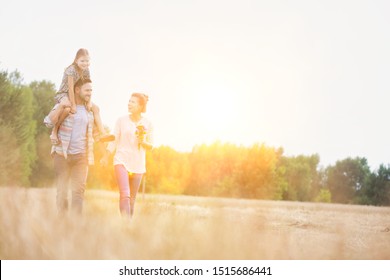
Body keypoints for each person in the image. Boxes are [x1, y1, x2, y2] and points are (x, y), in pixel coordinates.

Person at [44, 48, 113, 145]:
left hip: (78, 93)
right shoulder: (71, 70)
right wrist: (73, 104)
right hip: (65, 93)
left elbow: (88, 86)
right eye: (82, 61)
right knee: (67, 109)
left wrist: (89, 102)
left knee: (96, 108)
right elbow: (70, 89)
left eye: (87, 61)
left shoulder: (86, 70)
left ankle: (102, 133)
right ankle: (54, 131)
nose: (85, 63)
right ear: (76, 60)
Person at [101, 93, 153, 218]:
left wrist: (142, 141)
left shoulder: (148, 123)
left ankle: (128, 229)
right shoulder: (121, 120)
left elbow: (151, 146)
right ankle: (126, 223)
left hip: (138, 163)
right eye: (129, 101)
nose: (129, 104)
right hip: (121, 159)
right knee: (125, 194)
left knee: (132, 199)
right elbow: (114, 139)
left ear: (141, 106)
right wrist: (106, 156)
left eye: (133, 102)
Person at [52, 78, 97, 215]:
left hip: (81, 157)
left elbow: (92, 131)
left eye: (91, 90)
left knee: (78, 191)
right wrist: (59, 109)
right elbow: (50, 121)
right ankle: (62, 222)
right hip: (61, 154)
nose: (90, 93)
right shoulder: (65, 104)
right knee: (62, 191)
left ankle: (75, 226)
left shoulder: (91, 110)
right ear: (77, 90)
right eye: (87, 90)